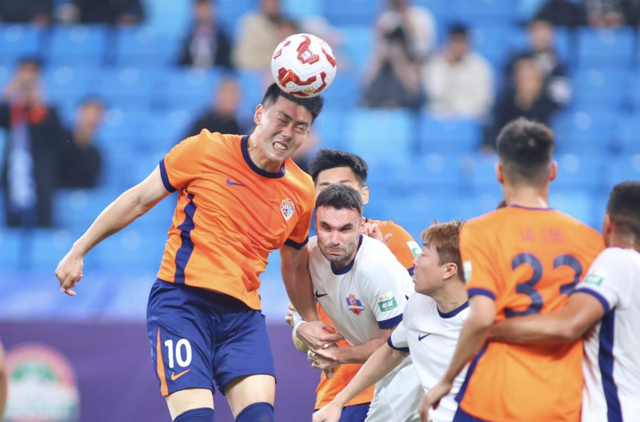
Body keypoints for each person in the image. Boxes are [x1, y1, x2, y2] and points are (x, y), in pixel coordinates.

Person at [55, 83, 340, 422]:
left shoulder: (302, 189)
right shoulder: (204, 149)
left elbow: (294, 265)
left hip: (242, 318)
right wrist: (79, 249)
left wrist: (311, 322)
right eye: (282, 119)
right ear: (259, 114)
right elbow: (138, 199)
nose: (288, 133)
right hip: (182, 306)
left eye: (300, 127)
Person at [419, 118, 605, 422]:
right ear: (552, 171)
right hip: (561, 402)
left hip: (492, 398)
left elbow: (481, 318)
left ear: (499, 172)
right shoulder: (590, 240)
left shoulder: (481, 231)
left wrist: (446, 380)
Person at [487, 181, 640, 421]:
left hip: (615, 412)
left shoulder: (618, 259)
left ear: (608, 223)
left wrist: (489, 329)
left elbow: (568, 325)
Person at [287, 149, 421, 421]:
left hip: (396, 381)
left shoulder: (388, 244)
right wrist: (303, 329)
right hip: (338, 387)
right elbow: (302, 338)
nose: (335, 193)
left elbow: (413, 325)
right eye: (325, 187)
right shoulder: (312, 256)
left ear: (363, 195)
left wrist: (380, 266)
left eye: (344, 186)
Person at [313, 220, 470, 422]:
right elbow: (391, 351)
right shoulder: (418, 304)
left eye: (423, 255)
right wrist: (338, 402)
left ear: (449, 270)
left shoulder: (485, 320)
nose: (414, 262)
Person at [0, 58, 66, 228]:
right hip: (14, 176)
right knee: (12, 226)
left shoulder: (49, 110)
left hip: (42, 176)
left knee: (44, 224)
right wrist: (10, 90)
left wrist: (39, 100)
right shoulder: (11, 110)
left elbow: (59, 137)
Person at [422, 23, 494, 119]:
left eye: (461, 41)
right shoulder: (435, 64)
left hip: (471, 117)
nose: (458, 46)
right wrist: (449, 68)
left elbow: (484, 100)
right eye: (454, 41)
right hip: (441, 117)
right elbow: (434, 94)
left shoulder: (480, 67)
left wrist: (459, 112)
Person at [486, 58, 560, 149]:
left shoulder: (550, 106)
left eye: (531, 78)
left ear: (540, 81)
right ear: (515, 80)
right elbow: (495, 132)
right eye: (523, 78)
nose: (527, 83)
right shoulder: (504, 105)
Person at [59, 97, 104, 189]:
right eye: (87, 114)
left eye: (96, 115)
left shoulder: (95, 155)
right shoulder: (59, 142)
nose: (90, 120)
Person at [376, 0, 437, 64]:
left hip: (417, 59)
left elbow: (424, 44)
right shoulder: (387, 16)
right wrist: (384, 10)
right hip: (391, 60)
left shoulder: (421, 15)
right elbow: (379, 38)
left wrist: (404, 15)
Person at [177, 0, 233, 69]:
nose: (203, 14)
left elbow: (227, 63)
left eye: (206, 9)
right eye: (200, 9)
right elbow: (181, 62)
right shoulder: (187, 36)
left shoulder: (223, 36)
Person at [232, 0, 285, 71]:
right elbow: (242, 59)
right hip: (257, 72)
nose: (271, 4)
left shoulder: (287, 25)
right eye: (268, 2)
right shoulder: (250, 24)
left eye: (274, 2)